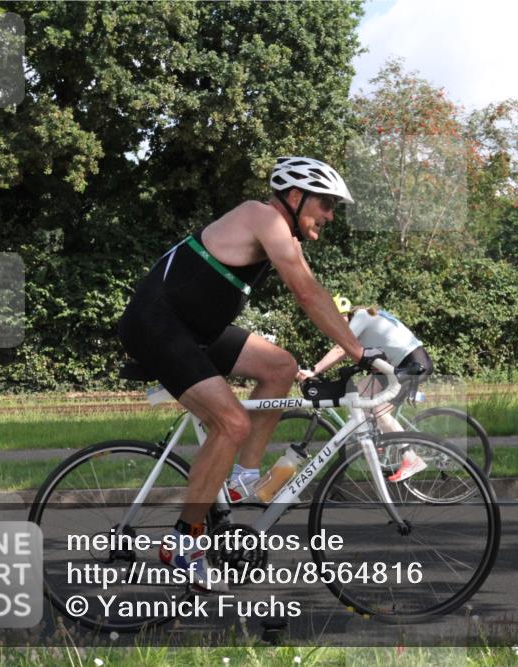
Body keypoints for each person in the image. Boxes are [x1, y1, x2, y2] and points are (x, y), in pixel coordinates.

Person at [118, 157, 384, 591]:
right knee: (233, 421)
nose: (330, 215)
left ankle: (242, 478)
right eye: (326, 204)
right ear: (295, 197)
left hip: (194, 330)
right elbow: (306, 293)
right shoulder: (261, 216)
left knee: (280, 366)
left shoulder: (283, 235)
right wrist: (358, 352)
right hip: (157, 323)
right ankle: (184, 543)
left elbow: (314, 291)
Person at [296, 296, 434, 482]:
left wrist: (314, 370)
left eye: (338, 319)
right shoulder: (363, 319)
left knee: (379, 411)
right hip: (396, 366)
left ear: (345, 314)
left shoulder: (360, 317)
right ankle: (374, 439)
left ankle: (410, 458)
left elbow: (340, 349)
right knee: (360, 393)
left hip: (412, 364)